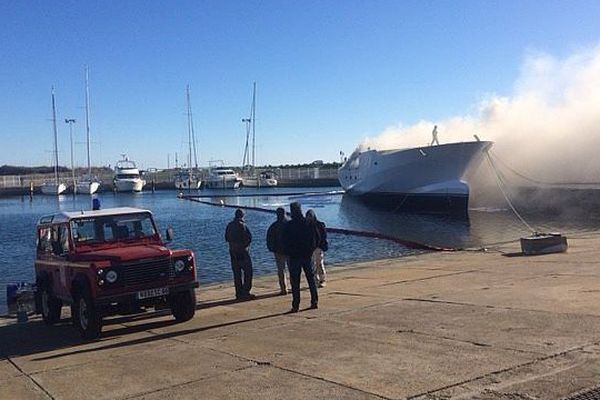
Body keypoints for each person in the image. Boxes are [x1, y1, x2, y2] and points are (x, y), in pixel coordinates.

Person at [282, 202, 320, 312]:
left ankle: (296, 305)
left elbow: (284, 241)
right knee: (311, 279)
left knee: (295, 282)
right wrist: (311, 249)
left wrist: (288, 252)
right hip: (307, 255)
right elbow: (316, 237)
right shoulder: (307, 223)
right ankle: (314, 301)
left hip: (294, 256)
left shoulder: (289, 225)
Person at [225, 208, 255, 300]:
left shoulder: (229, 225)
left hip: (232, 252)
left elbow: (226, 238)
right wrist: (245, 246)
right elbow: (249, 238)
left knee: (237, 273)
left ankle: (238, 293)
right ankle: (245, 292)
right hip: (242, 252)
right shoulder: (243, 226)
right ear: (242, 216)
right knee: (248, 272)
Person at [266, 207, 290, 295]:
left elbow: (269, 238)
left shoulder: (274, 226)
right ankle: (294, 286)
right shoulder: (289, 224)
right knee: (292, 270)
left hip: (278, 251)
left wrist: (271, 248)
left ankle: (284, 288)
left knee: (281, 270)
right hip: (289, 250)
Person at [306, 209, 328, 288]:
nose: (308, 218)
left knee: (319, 264)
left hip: (318, 247)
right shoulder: (306, 226)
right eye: (308, 217)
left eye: (310, 216)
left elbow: (323, 236)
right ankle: (315, 280)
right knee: (312, 265)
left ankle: (322, 279)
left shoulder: (319, 225)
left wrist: (321, 245)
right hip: (310, 248)